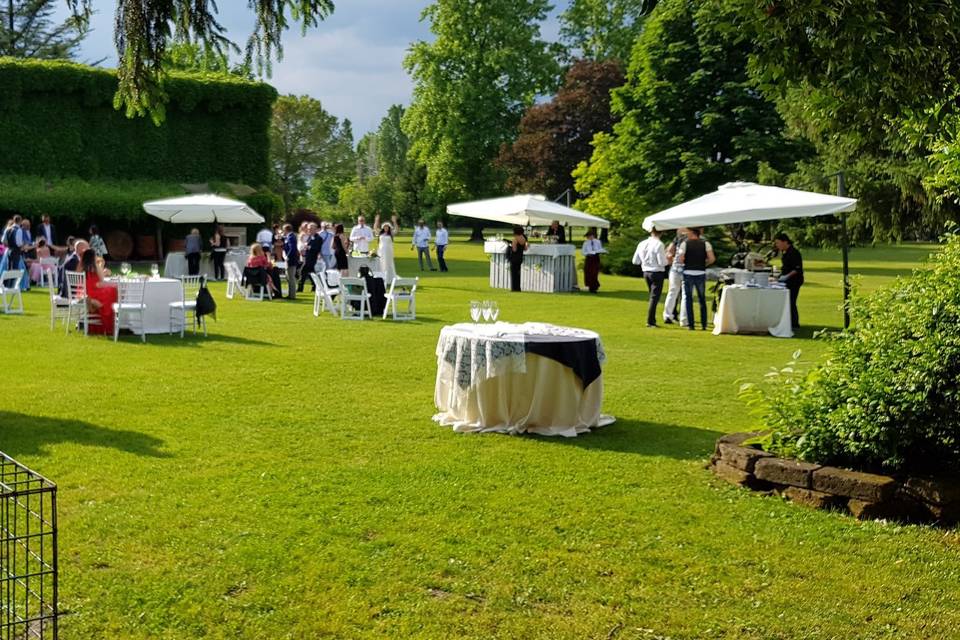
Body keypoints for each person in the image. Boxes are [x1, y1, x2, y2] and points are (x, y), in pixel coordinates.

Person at [678, 227, 715, 330]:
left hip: (688, 272)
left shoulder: (685, 243)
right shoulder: (705, 244)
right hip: (701, 272)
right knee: (702, 299)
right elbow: (712, 258)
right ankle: (704, 324)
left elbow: (680, 259)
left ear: (692, 232)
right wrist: (704, 264)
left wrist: (686, 262)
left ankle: (691, 325)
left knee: (688, 299)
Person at [632, 227, 668, 327]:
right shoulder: (659, 244)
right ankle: (650, 320)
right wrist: (668, 259)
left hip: (646, 272)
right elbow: (662, 262)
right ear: (661, 233)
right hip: (656, 272)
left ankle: (651, 319)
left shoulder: (642, 243)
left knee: (652, 296)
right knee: (654, 297)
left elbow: (635, 261)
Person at [80, 248, 117, 335]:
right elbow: (102, 280)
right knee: (113, 290)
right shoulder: (95, 266)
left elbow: (94, 280)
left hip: (87, 292)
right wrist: (101, 266)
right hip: (95, 292)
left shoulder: (83, 267)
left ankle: (96, 307)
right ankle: (109, 322)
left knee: (110, 289)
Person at [774, 232, 804, 328]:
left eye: (778, 243)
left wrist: (786, 276)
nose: (777, 245)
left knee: (791, 301)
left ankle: (794, 323)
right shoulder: (785, 252)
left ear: (785, 242)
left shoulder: (794, 252)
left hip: (794, 281)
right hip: (787, 280)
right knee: (788, 301)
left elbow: (797, 269)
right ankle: (789, 321)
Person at [662, 229, 688, 326]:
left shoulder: (678, 239)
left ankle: (667, 315)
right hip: (686, 269)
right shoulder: (692, 240)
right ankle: (684, 319)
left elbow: (668, 253)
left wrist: (673, 261)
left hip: (675, 268)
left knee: (672, 292)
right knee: (685, 294)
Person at [298, 223, 321, 292]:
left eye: (311, 229)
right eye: (308, 229)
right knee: (310, 273)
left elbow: (317, 248)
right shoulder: (310, 237)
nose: (309, 230)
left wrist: (309, 247)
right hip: (307, 256)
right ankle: (314, 286)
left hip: (312, 257)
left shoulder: (318, 238)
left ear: (315, 230)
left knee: (303, 271)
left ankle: (300, 287)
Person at [282, 223, 301, 300]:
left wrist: (287, 256)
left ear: (286, 229)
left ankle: (292, 295)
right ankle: (290, 294)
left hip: (291, 259)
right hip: (291, 259)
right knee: (289, 277)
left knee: (291, 277)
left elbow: (292, 248)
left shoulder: (291, 237)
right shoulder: (289, 236)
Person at [582, 229, 604, 293]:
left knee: (594, 272)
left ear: (593, 236)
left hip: (595, 258)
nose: (589, 238)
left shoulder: (598, 242)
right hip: (589, 258)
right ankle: (591, 286)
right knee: (588, 272)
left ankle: (594, 286)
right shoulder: (586, 243)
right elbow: (583, 252)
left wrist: (599, 251)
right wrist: (588, 253)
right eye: (588, 237)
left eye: (590, 236)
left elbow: (600, 249)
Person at [508, 225, 527, 292]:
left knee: (514, 274)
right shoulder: (523, 238)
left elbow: (514, 249)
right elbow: (525, 248)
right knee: (518, 273)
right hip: (520, 257)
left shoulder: (515, 239)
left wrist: (510, 246)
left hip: (514, 257)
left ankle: (514, 288)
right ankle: (518, 288)